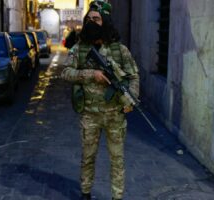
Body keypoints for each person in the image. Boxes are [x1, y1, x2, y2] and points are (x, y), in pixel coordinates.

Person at [61, 1, 140, 200]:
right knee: (88, 158)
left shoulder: (119, 50)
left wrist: (131, 98)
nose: (91, 22)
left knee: (117, 160)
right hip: (90, 115)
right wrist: (91, 73)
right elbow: (65, 72)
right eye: (89, 19)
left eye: (96, 19)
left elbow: (133, 76)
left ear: (105, 21)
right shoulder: (80, 49)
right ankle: (86, 194)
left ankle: (117, 196)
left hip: (115, 116)